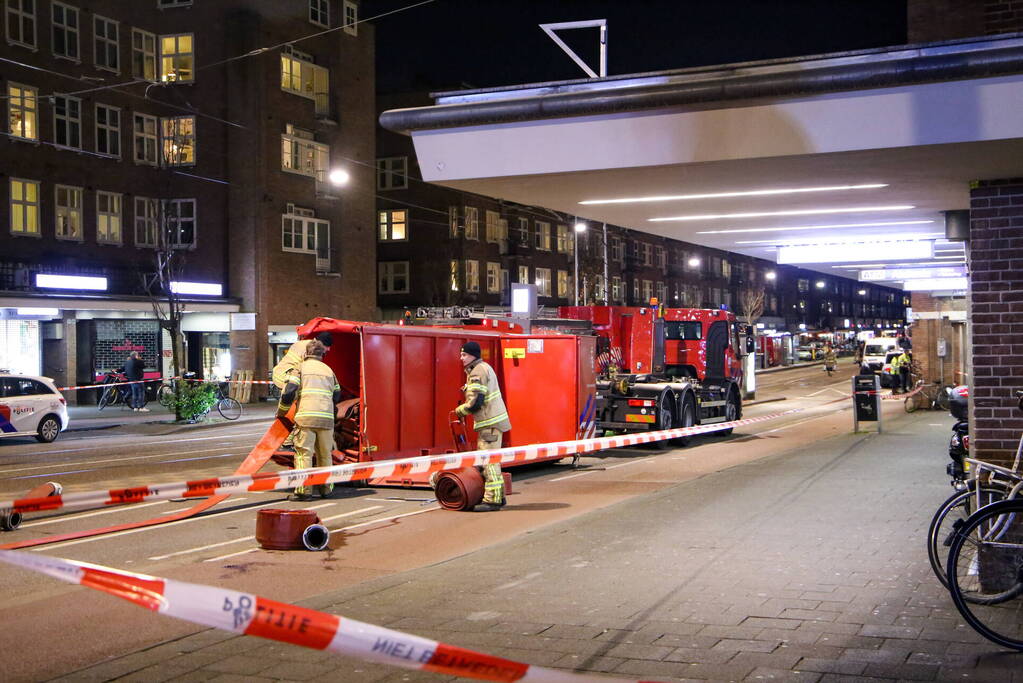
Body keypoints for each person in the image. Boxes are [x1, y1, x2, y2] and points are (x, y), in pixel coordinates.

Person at [276, 340, 341, 501]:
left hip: (306, 419)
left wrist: (282, 413)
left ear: (305, 354)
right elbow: (337, 394)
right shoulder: (329, 370)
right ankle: (326, 489)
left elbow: (289, 392)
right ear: (322, 354)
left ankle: (304, 491)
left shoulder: (300, 368)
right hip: (326, 420)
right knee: (325, 455)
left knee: (303, 454)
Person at [455, 341, 512, 511]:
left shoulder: (477, 372)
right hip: (494, 422)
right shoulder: (485, 367)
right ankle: (499, 497)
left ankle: (492, 500)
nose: (461, 358)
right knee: (492, 461)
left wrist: (460, 410)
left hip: (489, 423)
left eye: (464, 355)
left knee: (489, 462)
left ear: (473, 355)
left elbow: (475, 403)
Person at [272, 331, 333, 447]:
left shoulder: (304, 343)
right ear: (321, 343)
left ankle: (287, 435)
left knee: (294, 406)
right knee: (298, 408)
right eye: (327, 346)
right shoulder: (310, 348)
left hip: (281, 374)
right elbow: (307, 370)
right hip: (286, 376)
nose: (328, 350)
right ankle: (287, 440)